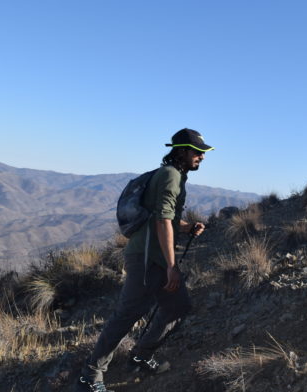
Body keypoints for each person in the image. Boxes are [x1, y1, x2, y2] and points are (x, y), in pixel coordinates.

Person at [77, 129, 213, 392]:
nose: (201, 157)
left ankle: (140, 355)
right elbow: (162, 220)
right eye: (197, 152)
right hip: (148, 258)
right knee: (127, 315)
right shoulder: (171, 175)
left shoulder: (174, 175)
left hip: (155, 258)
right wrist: (172, 266)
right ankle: (90, 376)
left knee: (178, 307)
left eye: (202, 153)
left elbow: (165, 218)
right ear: (182, 151)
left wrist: (185, 228)